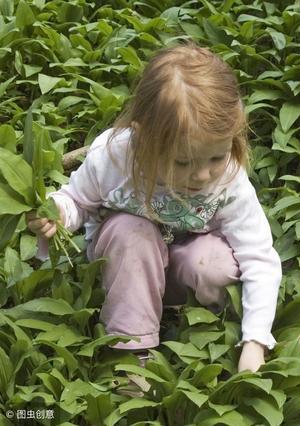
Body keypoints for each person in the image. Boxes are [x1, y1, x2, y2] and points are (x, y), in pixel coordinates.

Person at [27, 43, 282, 374]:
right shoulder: (114, 157)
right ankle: (131, 353)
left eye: (216, 157)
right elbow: (77, 200)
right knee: (131, 232)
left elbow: (258, 257)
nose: (202, 175)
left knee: (215, 264)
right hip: (124, 264)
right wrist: (57, 214)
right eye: (182, 161)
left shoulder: (228, 179)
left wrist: (255, 341)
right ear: (142, 140)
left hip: (181, 269)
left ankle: (184, 318)